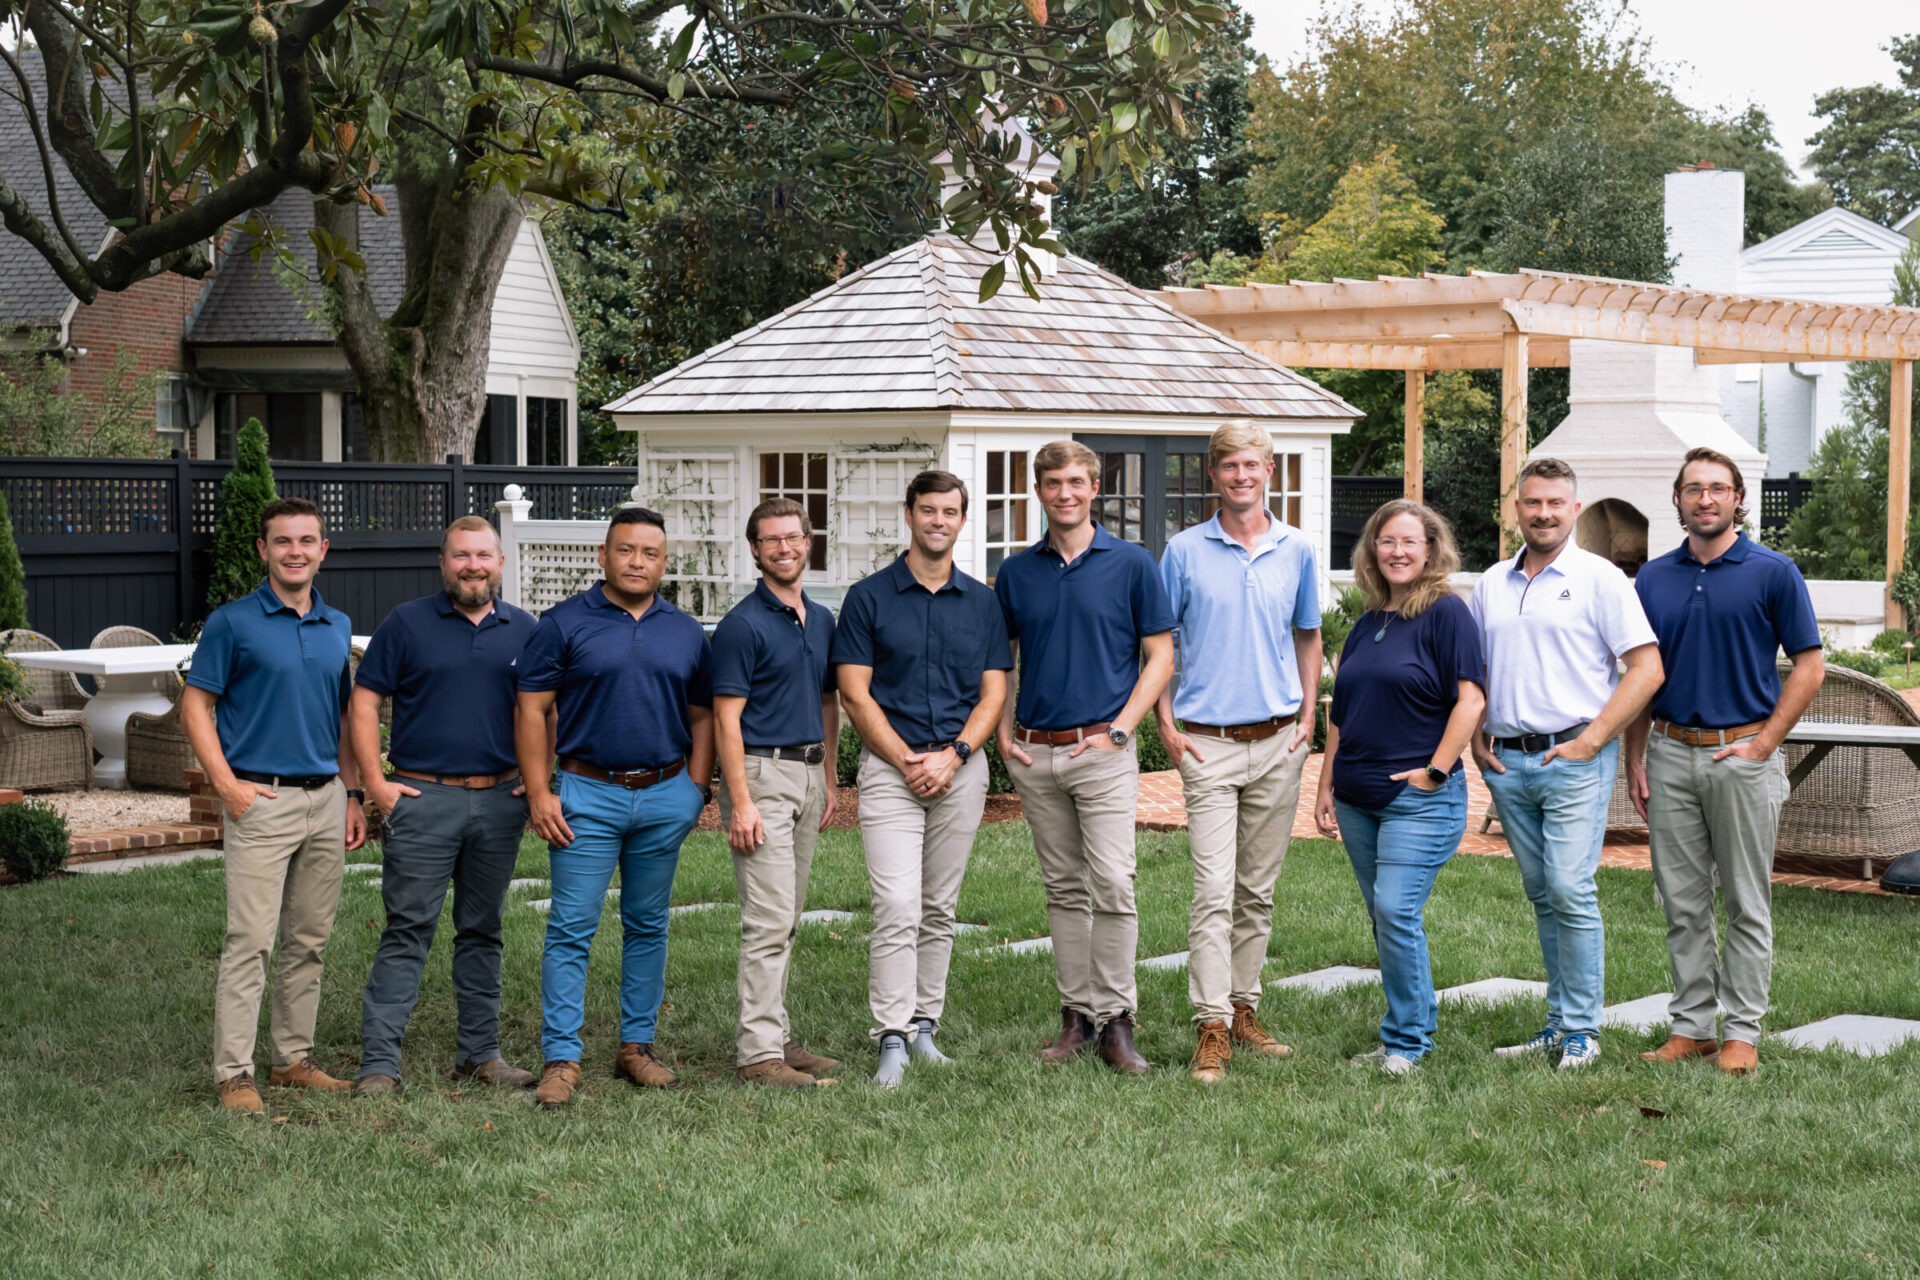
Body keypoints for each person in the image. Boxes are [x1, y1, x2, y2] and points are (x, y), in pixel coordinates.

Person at [1625, 447, 1823, 1075]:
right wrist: (1636, 756)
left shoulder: (1773, 572)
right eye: (1693, 489)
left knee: (1745, 900)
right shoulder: (1652, 579)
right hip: (1668, 753)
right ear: (1677, 499)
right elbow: (1641, 674)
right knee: (1681, 903)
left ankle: (1741, 1032)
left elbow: (1810, 666)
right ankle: (1691, 1028)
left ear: (1739, 499)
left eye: (1717, 488)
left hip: (1741, 756)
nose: (1705, 499)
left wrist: (1764, 745)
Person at [513, 507, 714, 1108]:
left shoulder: (684, 630)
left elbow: (703, 714)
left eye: (649, 553)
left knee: (648, 925)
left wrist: (696, 789)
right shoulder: (563, 624)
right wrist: (542, 791)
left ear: (664, 561)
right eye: (625, 550)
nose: (636, 562)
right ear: (604, 556)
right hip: (585, 796)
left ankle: (636, 1048)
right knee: (571, 928)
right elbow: (530, 710)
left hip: (663, 794)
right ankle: (561, 1058)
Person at [1469, 457, 1663, 1070]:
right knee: (1541, 891)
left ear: (1574, 510)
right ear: (1518, 509)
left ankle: (1583, 1029)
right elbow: (1474, 672)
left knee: (1569, 888)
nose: (1544, 513)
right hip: (1508, 762)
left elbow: (1647, 669)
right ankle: (1557, 1024)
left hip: (1574, 756)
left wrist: (1592, 740)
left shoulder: (1603, 579)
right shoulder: (1490, 584)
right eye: (1533, 503)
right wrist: (1477, 738)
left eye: (1556, 503)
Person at [181, 496, 367, 1113]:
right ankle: (234, 1073)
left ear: (322, 551)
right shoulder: (232, 622)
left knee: (308, 940)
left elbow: (343, 716)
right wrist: (227, 786)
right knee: (250, 942)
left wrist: (353, 793)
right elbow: (195, 707)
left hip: (325, 799)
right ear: (264, 551)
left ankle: (291, 1059)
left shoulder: (336, 625)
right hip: (260, 799)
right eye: (283, 541)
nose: (295, 552)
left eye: (307, 541)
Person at [994, 441, 1175, 1075]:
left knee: (1115, 885)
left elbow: (1160, 655)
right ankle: (1077, 1017)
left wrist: (1123, 730)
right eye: (1052, 483)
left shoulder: (1131, 564)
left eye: (1075, 481)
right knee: (1063, 890)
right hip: (1037, 754)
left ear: (1095, 487)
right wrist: (1004, 732)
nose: (1064, 493)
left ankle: (1118, 1021)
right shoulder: (1017, 573)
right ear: (1038, 490)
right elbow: (1002, 661)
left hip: (1102, 749)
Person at [349, 516, 540, 1097]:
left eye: (483, 555)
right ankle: (379, 1064)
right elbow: (363, 704)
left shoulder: (526, 630)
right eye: (461, 555)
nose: (473, 566)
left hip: (500, 802)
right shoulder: (405, 624)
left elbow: (543, 714)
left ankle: (479, 1054)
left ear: (500, 563)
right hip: (422, 797)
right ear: (443, 562)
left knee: (483, 929)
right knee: (408, 928)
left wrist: (538, 782)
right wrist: (375, 786)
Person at [832, 470, 1011, 1087]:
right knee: (897, 903)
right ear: (909, 514)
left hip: (961, 770)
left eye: (950, 512)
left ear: (963, 521)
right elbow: (854, 694)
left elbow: (994, 692)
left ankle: (924, 1025)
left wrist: (955, 754)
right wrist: (909, 758)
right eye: (928, 510)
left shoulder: (984, 602)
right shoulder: (868, 597)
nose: (939, 521)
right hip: (890, 771)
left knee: (938, 906)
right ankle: (890, 1035)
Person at [1155, 420, 1321, 1084]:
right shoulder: (1184, 551)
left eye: (1252, 466)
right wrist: (1167, 726)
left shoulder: (1297, 550)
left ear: (1269, 472)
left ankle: (1246, 1009)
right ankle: (1212, 1025)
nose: (1241, 477)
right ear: (1214, 475)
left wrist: (1309, 716)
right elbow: (1161, 643)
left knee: (1257, 892)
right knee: (1213, 891)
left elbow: (1308, 635)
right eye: (1229, 467)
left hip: (1279, 741)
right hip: (1208, 745)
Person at [1313, 500, 1484, 1077]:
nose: (1398, 552)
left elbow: (1472, 699)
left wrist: (1435, 770)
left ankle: (1410, 1041)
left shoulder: (1446, 613)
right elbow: (1343, 713)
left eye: (1411, 542)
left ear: (1431, 551)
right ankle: (1401, 1031)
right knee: (1383, 916)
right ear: (1372, 549)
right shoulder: (1366, 624)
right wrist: (1325, 784)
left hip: (1420, 797)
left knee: (1394, 908)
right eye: (1387, 541)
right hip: (1356, 796)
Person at [711, 498, 842, 1089]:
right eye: (772, 541)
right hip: (762, 777)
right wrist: (738, 801)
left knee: (787, 917)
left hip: (809, 775)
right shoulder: (743, 625)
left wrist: (830, 776)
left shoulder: (821, 618)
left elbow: (827, 702)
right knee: (767, 920)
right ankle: (758, 1055)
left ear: (808, 541)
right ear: (755, 549)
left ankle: (780, 1037)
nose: (785, 548)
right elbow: (726, 720)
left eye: (794, 537)